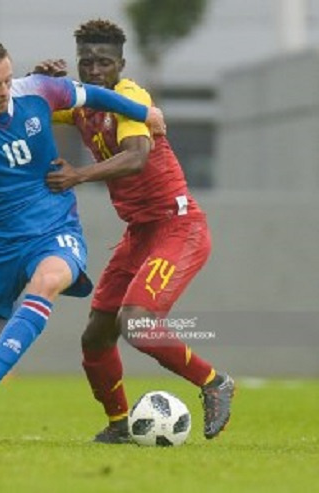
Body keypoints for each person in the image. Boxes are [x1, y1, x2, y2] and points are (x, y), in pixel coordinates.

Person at [0, 36, 165, 441]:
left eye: (7, 79)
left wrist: (145, 112)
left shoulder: (37, 90)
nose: (5, 91)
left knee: (50, 278)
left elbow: (93, 94)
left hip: (55, 231)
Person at [30, 19, 235, 443]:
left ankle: (214, 382)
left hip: (178, 227)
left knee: (137, 323)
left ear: (120, 63)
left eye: (104, 62)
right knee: (96, 337)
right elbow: (36, 108)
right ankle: (120, 425)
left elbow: (137, 156)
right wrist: (40, 80)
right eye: (87, 63)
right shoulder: (84, 101)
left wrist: (78, 175)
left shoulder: (130, 97)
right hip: (140, 233)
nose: (95, 70)